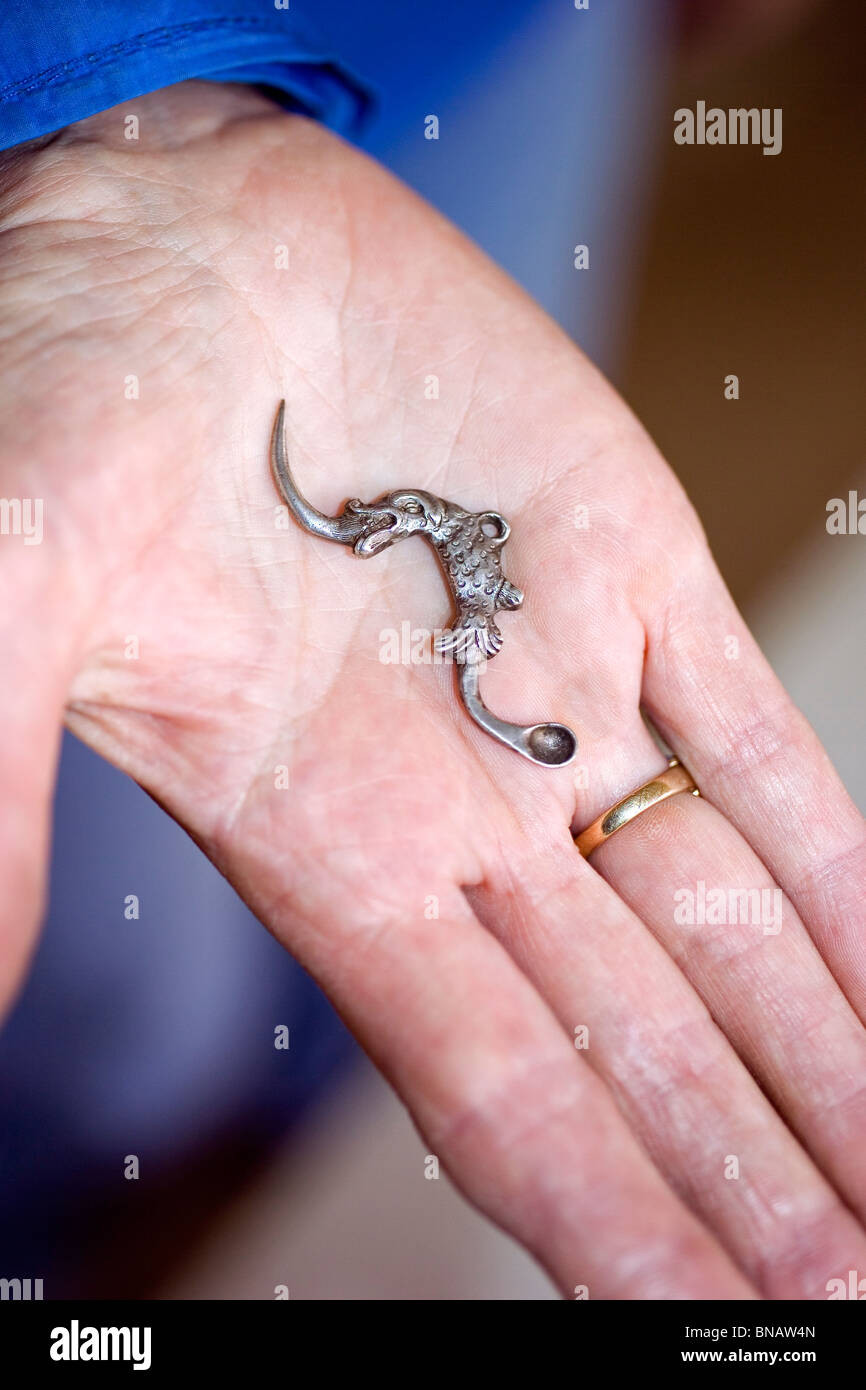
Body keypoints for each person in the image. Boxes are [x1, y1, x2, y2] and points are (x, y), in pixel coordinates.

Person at [1, 1, 862, 1300]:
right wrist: (64, 122)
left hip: (481, 29)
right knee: (136, 1002)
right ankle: (81, 1202)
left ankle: (296, 1119)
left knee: (377, 945)